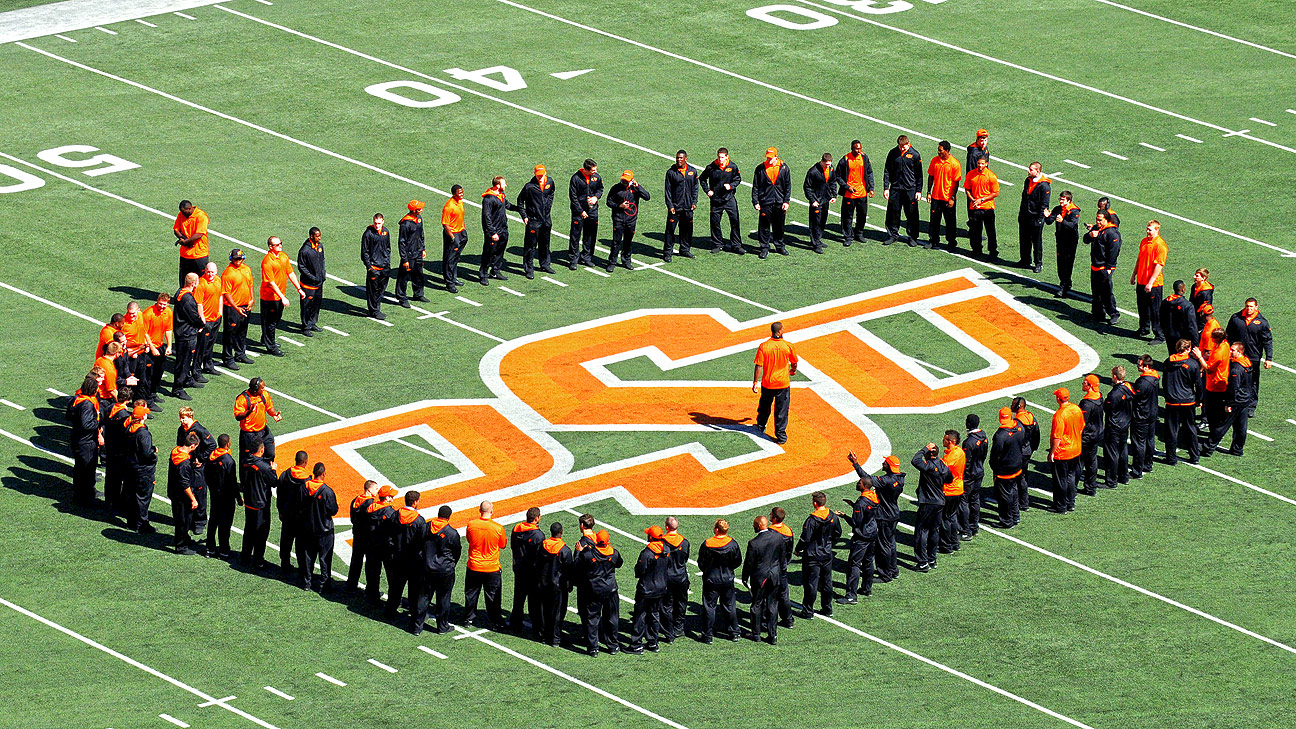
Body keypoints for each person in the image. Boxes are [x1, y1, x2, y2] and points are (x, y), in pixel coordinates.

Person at [626, 525, 671, 654]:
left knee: (640, 615)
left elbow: (640, 571)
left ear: (651, 537)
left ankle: (636, 644)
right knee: (655, 614)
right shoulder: (666, 549)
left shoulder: (647, 553)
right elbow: (669, 565)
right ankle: (653, 642)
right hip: (661, 588)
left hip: (646, 589)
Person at [795, 491, 841, 616]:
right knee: (827, 582)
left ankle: (808, 611)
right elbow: (838, 533)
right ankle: (827, 609)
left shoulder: (811, 520)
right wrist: (829, 544)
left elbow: (805, 538)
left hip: (812, 556)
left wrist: (798, 549)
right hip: (826, 553)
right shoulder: (833, 516)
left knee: (811, 583)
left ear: (815, 503)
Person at [417, 505, 461, 635]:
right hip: (444, 570)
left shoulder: (425, 526)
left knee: (424, 597)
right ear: (448, 517)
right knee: (443, 598)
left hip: (426, 568)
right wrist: (451, 564)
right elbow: (457, 551)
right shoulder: (452, 533)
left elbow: (419, 544)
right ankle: (442, 627)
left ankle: (416, 627)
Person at [697, 519, 742, 644]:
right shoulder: (732, 544)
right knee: (729, 605)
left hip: (711, 579)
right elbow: (737, 561)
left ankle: (707, 635)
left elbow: (701, 562)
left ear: (716, 529)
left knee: (709, 606)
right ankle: (734, 632)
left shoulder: (707, 544)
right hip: (727, 579)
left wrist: (708, 571)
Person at [579, 530, 624, 656]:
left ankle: (593, 648)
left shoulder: (588, 553)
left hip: (594, 590)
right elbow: (619, 564)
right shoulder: (614, 553)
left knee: (592, 619)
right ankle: (613, 646)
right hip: (610, 590)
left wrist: (579, 551)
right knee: (612, 618)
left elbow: (579, 564)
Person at [835, 471, 878, 603]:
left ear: (864, 485)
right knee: (869, 561)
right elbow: (868, 511)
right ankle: (866, 588)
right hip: (872, 532)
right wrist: (854, 505)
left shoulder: (861, 503)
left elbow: (856, 523)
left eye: (859, 482)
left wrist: (844, 516)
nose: (857, 483)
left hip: (862, 536)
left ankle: (851, 595)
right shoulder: (873, 496)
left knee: (854, 565)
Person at [1206, 342, 1255, 456]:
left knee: (1221, 425)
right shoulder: (1247, 363)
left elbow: (1234, 388)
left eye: (1233, 350)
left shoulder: (1236, 369)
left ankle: (1208, 448)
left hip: (1236, 401)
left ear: (1239, 352)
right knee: (1241, 427)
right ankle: (1237, 449)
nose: (1230, 352)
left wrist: (1229, 403)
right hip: (1245, 399)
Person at [465, 500, 508, 627]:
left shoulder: (471, 524)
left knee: (471, 594)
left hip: (474, 565)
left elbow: (469, 540)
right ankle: (495, 620)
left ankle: (468, 618)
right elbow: (503, 545)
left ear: (480, 510)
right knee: (493, 596)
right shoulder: (498, 527)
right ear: (492, 511)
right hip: (491, 567)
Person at [753, 321, 797, 444]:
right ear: (780, 331)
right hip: (782, 384)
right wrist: (793, 370)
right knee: (781, 410)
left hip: (767, 383)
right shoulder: (788, 346)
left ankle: (761, 425)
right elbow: (794, 363)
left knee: (764, 407)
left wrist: (755, 382)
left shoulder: (764, 346)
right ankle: (781, 436)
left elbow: (759, 365)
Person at [1226, 298, 1273, 412]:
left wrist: (1269, 358)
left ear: (1256, 307)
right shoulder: (1236, 318)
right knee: (1234, 379)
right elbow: (1228, 335)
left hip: (1253, 357)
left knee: (1252, 381)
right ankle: (1233, 402)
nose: (1249, 309)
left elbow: (1267, 341)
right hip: (1237, 356)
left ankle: (1251, 406)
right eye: (1247, 306)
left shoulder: (1262, 322)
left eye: (1251, 306)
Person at [742, 516, 784, 645]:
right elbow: (782, 556)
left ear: (760, 525)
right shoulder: (778, 537)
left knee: (756, 604)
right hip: (775, 575)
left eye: (755, 524)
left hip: (760, 577)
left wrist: (744, 577)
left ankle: (756, 634)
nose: (753, 526)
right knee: (772, 604)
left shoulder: (754, 543)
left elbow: (749, 563)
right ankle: (773, 635)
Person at [1162, 339, 1204, 466]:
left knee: (1171, 430)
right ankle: (1194, 456)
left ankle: (1171, 458)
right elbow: (1198, 384)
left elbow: (1164, 381)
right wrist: (1199, 399)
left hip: (1172, 402)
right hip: (1187, 401)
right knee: (1190, 429)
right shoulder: (1192, 364)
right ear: (1188, 349)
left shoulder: (1168, 362)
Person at [259, 237, 303, 356]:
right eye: (277, 244)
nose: (280, 246)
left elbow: (290, 272)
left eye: (280, 243)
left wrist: (299, 288)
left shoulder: (283, 256)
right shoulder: (267, 261)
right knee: (271, 322)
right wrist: (282, 297)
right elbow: (270, 283)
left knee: (275, 320)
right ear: (270, 246)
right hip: (269, 298)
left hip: (279, 296)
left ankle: (266, 339)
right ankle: (271, 346)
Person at [910, 443, 951, 571]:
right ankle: (932, 559)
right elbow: (949, 479)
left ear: (929, 454)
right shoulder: (943, 465)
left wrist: (924, 449)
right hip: (939, 502)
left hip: (928, 502)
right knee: (934, 530)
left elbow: (915, 460)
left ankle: (922, 562)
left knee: (922, 531)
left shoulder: (928, 466)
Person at [176, 406, 216, 538]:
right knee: (188, 490)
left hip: (199, 467)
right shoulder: (182, 430)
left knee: (199, 492)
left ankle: (200, 521)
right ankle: (191, 518)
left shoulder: (199, 430)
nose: (182, 420)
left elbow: (212, 444)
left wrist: (201, 458)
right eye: (181, 418)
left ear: (190, 417)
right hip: (187, 465)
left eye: (184, 418)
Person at [298, 463, 338, 592]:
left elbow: (299, 505)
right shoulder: (327, 491)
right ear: (324, 474)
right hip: (324, 530)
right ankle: (324, 585)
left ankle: (307, 583)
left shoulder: (304, 487)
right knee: (325, 559)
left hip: (308, 528)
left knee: (308, 557)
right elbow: (333, 510)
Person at [386, 492, 425, 621]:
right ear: (415, 502)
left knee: (395, 588)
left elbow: (389, 534)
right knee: (414, 590)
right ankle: (414, 615)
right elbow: (422, 542)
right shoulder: (419, 520)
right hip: (413, 561)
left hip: (397, 558)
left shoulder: (395, 515)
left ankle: (390, 611)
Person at [66, 373, 102, 505]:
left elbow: (68, 416)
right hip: (86, 441)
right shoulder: (87, 404)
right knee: (87, 469)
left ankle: (80, 494)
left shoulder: (76, 399)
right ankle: (86, 497)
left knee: (80, 468)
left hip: (76, 437)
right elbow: (87, 424)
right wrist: (98, 423)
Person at [240, 439, 276, 569]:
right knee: (261, 533)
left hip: (249, 502)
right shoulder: (264, 467)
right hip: (261, 504)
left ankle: (245, 557)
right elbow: (274, 482)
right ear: (261, 450)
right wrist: (273, 470)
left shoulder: (245, 462)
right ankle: (258, 560)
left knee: (248, 531)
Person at [535, 521, 573, 646]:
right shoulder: (565, 550)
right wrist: (569, 584)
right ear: (561, 533)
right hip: (558, 586)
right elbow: (568, 570)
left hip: (543, 583)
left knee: (544, 611)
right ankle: (556, 638)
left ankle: (545, 636)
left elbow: (538, 564)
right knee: (557, 613)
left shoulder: (542, 546)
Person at [605, 170, 651, 271]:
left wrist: (638, 186)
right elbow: (608, 202)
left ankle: (626, 260)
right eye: (623, 180)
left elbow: (647, 197)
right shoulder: (616, 188)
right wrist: (619, 206)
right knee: (616, 242)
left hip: (631, 220)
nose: (624, 182)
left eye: (626, 181)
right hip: (618, 219)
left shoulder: (635, 189)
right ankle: (612, 262)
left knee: (628, 241)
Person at [700, 148, 743, 254]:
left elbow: (738, 179)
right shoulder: (711, 167)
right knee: (715, 223)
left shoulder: (732, 166)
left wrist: (731, 186)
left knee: (735, 221)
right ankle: (717, 244)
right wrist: (707, 190)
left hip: (729, 199)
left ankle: (736, 245)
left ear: (727, 157)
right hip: (716, 200)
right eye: (719, 157)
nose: (720, 159)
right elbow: (702, 179)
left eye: (722, 157)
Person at [509, 507, 545, 635]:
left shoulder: (516, 529)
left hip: (519, 567)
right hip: (532, 571)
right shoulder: (538, 535)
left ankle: (515, 624)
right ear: (537, 518)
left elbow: (513, 546)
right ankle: (537, 628)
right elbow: (540, 555)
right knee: (534, 601)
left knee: (518, 598)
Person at [883, 135, 923, 246]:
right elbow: (887, 170)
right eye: (900, 146)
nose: (902, 149)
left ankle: (913, 237)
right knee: (893, 212)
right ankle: (892, 235)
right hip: (895, 188)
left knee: (912, 213)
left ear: (908, 144)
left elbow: (919, 175)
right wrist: (886, 187)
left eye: (904, 146)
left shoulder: (915, 154)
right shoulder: (892, 153)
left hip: (910, 189)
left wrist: (919, 190)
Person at [1049, 388, 1085, 513]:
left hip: (1063, 452)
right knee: (1071, 476)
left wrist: (1052, 452)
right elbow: (1081, 428)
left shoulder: (1059, 415)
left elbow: (1057, 437)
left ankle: (1061, 506)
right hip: (1076, 449)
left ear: (1058, 399)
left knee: (1060, 480)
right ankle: (1070, 503)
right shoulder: (1076, 409)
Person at [1132, 221, 1168, 344]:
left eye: (1150, 230)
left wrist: (1150, 282)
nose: (1148, 231)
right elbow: (1139, 259)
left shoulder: (1160, 245)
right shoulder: (1144, 241)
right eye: (1147, 229)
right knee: (1142, 307)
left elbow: (1159, 265)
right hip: (1142, 280)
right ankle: (1144, 328)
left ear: (1157, 230)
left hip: (1154, 284)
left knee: (1155, 310)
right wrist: (1134, 274)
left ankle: (1159, 335)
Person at [989, 406, 1025, 527]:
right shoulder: (1020, 427)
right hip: (1017, 466)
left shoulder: (1000, 435)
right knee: (1014, 491)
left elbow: (995, 454)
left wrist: (994, 468)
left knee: (1005, 495)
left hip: (1005, 470)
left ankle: (1006, 520)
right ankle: (1015, 516)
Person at [751, 148, 791, 258]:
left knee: (779, 225)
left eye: (771, 158)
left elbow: (788, 186)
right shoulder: (760, 169)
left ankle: (779, 246)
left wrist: (786, 201)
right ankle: (764, 248)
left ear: (776, 157)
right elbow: (756, 186)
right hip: (765, 202)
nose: (769, 160)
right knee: (764, 226)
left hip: (779, 202)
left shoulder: (784, 168)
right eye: (767, 157)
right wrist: (755, 201)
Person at [363, 485, 399, 605]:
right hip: (386, 547)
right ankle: (393, 601)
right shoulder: (390, 512)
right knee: (392, 575)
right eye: (391, 496)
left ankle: (372, 597)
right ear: (387, 497)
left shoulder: (370, 507)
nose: (393, 498)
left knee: (372, 572)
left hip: (371, 545)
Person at [518, 165, 556, 279]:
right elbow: (520, 200)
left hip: (546, 219)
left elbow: (551, 193)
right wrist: (524, 216)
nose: (540, 177)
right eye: (538, 175)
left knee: (545, 243)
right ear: (535, 174)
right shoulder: (529, 187)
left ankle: (545, 264)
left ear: (545, 173)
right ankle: (529, 269)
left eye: (541, 175)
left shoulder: (550, 182)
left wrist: (548, 206)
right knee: (530, 246)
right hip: (533, 220)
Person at [1086, 210, 1122, 327]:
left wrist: (1109, 267)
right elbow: (1085, 240)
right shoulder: (1097, 229)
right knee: (1096, 292)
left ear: (1107, 220)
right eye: (1097, 219)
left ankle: (1114, 314)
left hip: (1104, 267)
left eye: (1100, 220)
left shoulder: (1112, 233)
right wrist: (1090, 235)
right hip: (1095, 265)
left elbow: (1114, 251)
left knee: (1106, 292)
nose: (1098, 222)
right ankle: (1098, 313)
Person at [480, 176, 519, 284]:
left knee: (500, 252)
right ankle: (483, 274)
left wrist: (519, 209)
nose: (506, 185)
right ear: (498, 185)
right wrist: (492, 232)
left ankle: (495, 271)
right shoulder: (488, 199)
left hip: (503, 229)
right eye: (504, 183)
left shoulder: (501, 195)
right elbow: (486, 217)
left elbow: (508, 205)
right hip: (494, 231)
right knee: (488, 253)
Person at [205, 433, 239, 558]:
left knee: (213, 521)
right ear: (228, 443)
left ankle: (210, 549)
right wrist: (238, 498)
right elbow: (232, 481)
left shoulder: (211, 457)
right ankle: (224, 550)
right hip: (226, 497)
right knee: (225, 524)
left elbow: (206, 474)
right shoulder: (229, 461)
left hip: (215, 494)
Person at [168, 433, 202, 554]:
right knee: (183, 520)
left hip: (173, 491)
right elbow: (185, 484)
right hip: (181, 496)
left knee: (181, 518)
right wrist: (193, 499)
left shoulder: (175, 451)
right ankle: (180, 546)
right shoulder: (184, 463)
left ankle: (184, 538)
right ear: (192, 446)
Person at [125, 403, 157, 533]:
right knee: (143, 498)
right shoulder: (143, 433)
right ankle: (142, 524)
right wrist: (154, 454)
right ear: (143, 416)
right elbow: (147, 453)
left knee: (132, 496)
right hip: (143, 470)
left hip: (131, 467)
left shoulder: (129, 428)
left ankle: (131, 522)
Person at [871, 454, 904, 580]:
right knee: (891, 543)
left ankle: (885, 574)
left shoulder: (886, 480)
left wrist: (856, 464)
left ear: (889, 467)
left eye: (885, 463)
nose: (882, 464)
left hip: (884, 516)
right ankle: (893, 569)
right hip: (893, 514)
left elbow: (867, 479)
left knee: (882, 545)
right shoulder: (900, 479)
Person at [835, 140, 874, 246]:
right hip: (849, 194)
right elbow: (837, 176)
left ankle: (859, 233)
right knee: (847, 216)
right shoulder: (845, 160)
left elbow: (869, 172)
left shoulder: (864, 157)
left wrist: (871, 188)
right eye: (856, 148)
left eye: (860, 148)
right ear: (852, 148)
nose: (859, 150)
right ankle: (848, 236)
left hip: (862, 193)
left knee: (862, 214)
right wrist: (847, 187)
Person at [233, 377, 279, 466]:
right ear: (255, 390)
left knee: (270, 453)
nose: (264, 389)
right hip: (249, 434)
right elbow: (238, 416)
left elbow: (269, 407)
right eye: (262, 388)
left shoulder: (264, 394)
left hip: (263, 430)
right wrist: (249, 411)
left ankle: (267, 473)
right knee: (249, 459)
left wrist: (274, 414)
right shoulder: (242, 399)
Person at [277, 451, 310, 573]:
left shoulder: (285, 474)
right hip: (301, 517)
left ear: (295, 460)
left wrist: (280, 510)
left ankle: (284, 564)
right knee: (301, 544)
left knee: (286, 541)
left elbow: (279, 494)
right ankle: (302, 568)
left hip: (287, 514)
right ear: (305, 461)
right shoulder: (308, 479)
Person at [220, 250, 254, 367]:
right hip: (232, 308)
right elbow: (226, 293)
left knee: (242, 331)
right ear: (231, 259)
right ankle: (228, 358)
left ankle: (240, 354)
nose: (238, 261)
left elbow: (250, 285)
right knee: (230, 334)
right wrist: (236, 307)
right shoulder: (228, 273)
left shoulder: (247, 269)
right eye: (235, 259)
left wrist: (252, 299)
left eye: (239, 258)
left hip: (245, 305)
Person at [925, 141, 962, 250]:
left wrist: (952, 198)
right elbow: (931, 176)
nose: (938, 152)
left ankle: (951, 242)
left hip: (947, 198)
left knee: (950, 222)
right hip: (936, 196)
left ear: (947, 150)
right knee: (934, 220)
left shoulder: (955, 163)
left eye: (940, 150)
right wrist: (928, 192)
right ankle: (933, 240)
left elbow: (956, 183)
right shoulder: (935, 161)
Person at [663, 150, 699, 261]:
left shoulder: (692, 171)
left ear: (686, 159)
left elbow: (695, 188)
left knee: (687, 229)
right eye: (677, 158)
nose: (679, 160)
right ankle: (667, 253)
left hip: (688, 207)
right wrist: (670, 205)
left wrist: (694, 202)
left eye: (681, 158)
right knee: (670, 230)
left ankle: (685, 250)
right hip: (675, 207)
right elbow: (667, 191)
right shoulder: (671, 172)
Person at [171, 273, 202, 401]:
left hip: (182, 331)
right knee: (183, 361)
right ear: (194, 283)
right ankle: (178, 388)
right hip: (186, 333)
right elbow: (194, 316)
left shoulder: (180, 293)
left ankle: (186, 379)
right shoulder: (188, 299)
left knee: (184, 359)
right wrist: (201, 325)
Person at [102, 388, 133, 519]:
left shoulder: (109, 408)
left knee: (110, 476)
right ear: (128, 400)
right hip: (120, 450)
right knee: (119, 478)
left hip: (109, 447)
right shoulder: (125, 416)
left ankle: (108, 500)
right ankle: (116, 504)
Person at [568, 159, 604, 269]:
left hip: (592, 210)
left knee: (590, 234)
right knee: (575, 236)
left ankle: (586, 257)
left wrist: (596, 197)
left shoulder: (596, 177)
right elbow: (573, 197)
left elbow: (600, 189)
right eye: (593, 170)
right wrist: (580, 211)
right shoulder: (576, 178)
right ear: (586, 169)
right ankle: (573, 260)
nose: (595, 171)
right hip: (578, 212)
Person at [1045, 191, 1082, 297]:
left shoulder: (1074, 211)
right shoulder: (1058, 209)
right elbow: (1049, 221)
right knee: (1060, 263)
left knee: (1068, 263)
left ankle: (1064, 286)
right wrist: (1046, 216)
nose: (1060, 201)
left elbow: (1072, 225)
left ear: (1068, 201)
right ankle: (1066, 282)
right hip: (1060, 240)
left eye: (1063, 199)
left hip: (1070, 241)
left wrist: (1062, 221)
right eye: (1060, 199)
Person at [345, 480, 380, 590]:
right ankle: (371, 589)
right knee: (370, 565)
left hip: (357, 535)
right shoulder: (370, 504)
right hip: (368, 538)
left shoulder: (355, 500)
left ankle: (351, 585)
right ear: (369, 490)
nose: (377, 491)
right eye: (375, 489)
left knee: (356, 561)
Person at [1103, 366, 1134, 488]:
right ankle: (1124, 476)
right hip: (1125, 424)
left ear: (1115, 376)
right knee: (1123, 451)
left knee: (1112, 454)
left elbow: (1107, 408)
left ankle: (1111, 481)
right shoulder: (1128, 387)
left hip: (1114, 426)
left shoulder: (1114, 394)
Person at [1201, 329, 1232, 455]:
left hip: (1214, 386)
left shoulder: (1219, 352)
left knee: (1213, 414)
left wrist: (1199, 357)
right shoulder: (1225, 345)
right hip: (1222, 382)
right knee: (1217, 414)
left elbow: (1208, 369)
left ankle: (1215, 436)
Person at [963, 156, 1000, 257]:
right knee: (975, 231)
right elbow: (967, 189)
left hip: (987, 208)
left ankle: (993, 252)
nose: (980, 165)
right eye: (979, 163)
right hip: (975, 208)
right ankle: (976, 250)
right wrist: (973, 199)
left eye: (982, 163)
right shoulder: (971, 174)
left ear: (986, 164)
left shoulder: (991, 176)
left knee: (991, 231)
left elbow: (996, 193)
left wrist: (982, 199)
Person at [1130, 356, 1160, 479]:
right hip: (1152, 412)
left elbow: (1135, 397)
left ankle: (1137, 470)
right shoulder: (1156, 377)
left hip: (1141, 415)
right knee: (1150, 440)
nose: (1137, 366)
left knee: (1139, 443)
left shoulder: (1142, 382)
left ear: (1146, 366)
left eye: (1140, 365)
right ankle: (1148, 464)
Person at [1018, 162, 1051, 272]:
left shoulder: (1044, 185)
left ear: (1038, 171)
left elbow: (1044, 204)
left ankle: (1038, 263)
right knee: (1024, 239)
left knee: (1036, 242)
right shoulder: (1028, 180)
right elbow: (1024, 198)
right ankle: (1025, 259)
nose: (1029, 171)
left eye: (1031, 169)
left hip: (1036, 217)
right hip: (1025, 216)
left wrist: (1040, 219)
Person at [661, 517, 690, 641]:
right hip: (681, 577)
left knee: (667, 604)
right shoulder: (684, 542)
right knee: (681, 602)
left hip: (667, 577)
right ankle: (679, 627)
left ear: (667, 527)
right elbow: (685, 558)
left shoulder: (662, 542)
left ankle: (668, 628)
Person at [142, 294, 174, 404]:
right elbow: (144, 333)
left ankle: (153, 393)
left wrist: (169, 345)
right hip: (149, 348)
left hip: (160, 346)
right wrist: (152, 348)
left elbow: (168, 329)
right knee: (148, 374)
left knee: (159, 372)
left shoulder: (168, 312)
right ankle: (147, 398)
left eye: (164, 304)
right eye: (160, 303)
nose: (162, 306)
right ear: (157, 301)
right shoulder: (148, 313)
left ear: (168, 304)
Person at [938, 430, 966, 553]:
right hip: (958, 488)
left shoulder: (951, 456)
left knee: (945, 519)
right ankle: (954, 542)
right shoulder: (959, 452)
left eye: (945, 439)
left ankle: (946, 545)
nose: (943, 441)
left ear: (951, 441)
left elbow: (942, 470)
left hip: (950, 491)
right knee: (952, 516)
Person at [961, 414, 988, 538]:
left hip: (970, 475)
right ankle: (974, 526)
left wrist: (964, 475)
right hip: (979, 471)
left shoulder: (969, 442)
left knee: (964, 501)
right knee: (975, 499)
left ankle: (966, 529)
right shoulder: (984, 437)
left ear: (969, 424)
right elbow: (984, 455)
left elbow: (967, 462)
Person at [804, 153, 837, 253]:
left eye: (829, 164)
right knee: (815, 222)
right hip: (816, 200)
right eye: (826, 164)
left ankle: (818, 239)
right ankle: (815, 243)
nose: (828, 166)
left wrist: (834, 195)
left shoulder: (831, 169)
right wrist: (812, 200)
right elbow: (807, 187)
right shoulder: (813, 171)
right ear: (821, 161)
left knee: (823, 220)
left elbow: (832, 182)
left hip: (825, 199)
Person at [767, 507, 795, 627]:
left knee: (769, 596)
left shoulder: (769, 532)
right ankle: (788, 620)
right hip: (782, 566)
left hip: (771, 568)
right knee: (784, 594)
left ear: (773, 517)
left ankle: (766, 621)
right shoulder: (788, 530)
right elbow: (790, 550)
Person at [193, 265, 222, 378]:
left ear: (216, 272)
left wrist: (220, 313)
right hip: (206, 320)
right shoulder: (201, 284)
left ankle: (208, 366)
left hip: (216, 318)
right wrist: (203, 320)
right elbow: (199, 304)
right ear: (205, 271)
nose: (210, 274)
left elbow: (220, 296)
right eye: (208, 272)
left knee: (210, 344)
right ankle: (196, 370)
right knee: (201, 346)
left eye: (212, 272)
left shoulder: (218, 280)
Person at [397, 200, 428, 306]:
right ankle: (402, 297)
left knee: (419, 274)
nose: (421, 210)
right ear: (414, 210)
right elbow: (402, 242)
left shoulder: (419, 219)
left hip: (418, 252)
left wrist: (423, 248)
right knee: (404, 277)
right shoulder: (405, 223)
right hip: (409, 254)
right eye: (419, 208)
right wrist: (404, 259)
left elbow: (421, 234)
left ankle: (418, 294)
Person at [361, 213, 392, 317]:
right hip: (374, 267)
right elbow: (364, 252)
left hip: (384, 266)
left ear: (383, 221)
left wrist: (387, 262)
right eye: (375, 223)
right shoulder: (368, 234)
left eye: (379, 223)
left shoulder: (386, 232)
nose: (377, 225)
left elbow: (388, 248)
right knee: (373, 291)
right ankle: (374, 310)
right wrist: (369, 267)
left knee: (381, 289)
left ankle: (376, 308)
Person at [1012, 398, 1040, 513]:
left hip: (1019, 452)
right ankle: (1024, 502)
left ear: (1019, 406)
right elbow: (1037, 435)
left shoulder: (1017, 422)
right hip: (1028, 451)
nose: (1011, 406)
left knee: (1016, 477)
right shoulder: (1031, 417)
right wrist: (1032, 448)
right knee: (1023, 476)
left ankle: (1018, 501)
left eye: (1013, 404)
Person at [173, 200, 209, 289]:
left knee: (201, 280)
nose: (182, 214)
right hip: (185, 254)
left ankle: (199, 298)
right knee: (184, 280)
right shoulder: (181, 214)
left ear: (189, 208)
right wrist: (184, 240)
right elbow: (176, 230)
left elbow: (199, 234)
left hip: (199, 254)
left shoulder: (201, 216)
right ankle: (183, 298)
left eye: (184, 212)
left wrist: (186, 242)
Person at [297, 227, 326, 336]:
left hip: (319, 283)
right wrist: (312, 277)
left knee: (316, 304)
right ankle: (305, 326)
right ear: (311, 236)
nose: (319, 237)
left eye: (320, 235)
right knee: (307, 305)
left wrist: (323, 274)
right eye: (317, 236)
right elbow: (301, 267)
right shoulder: (305, 250)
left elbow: (322, 260)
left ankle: (313, 322)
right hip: (308, 284)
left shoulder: (320, 246)